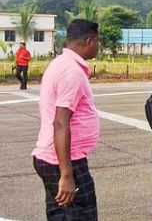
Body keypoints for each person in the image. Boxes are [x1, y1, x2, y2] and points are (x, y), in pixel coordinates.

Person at [32, 20, 101, 221]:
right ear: (89, 40)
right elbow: (60, 123)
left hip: (53, 156)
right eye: (97, 41)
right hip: (64, 160)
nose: (98, 46)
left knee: (60, 216)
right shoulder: (71, 72)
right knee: (83, 215)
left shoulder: (60, 64)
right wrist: (67, 174)